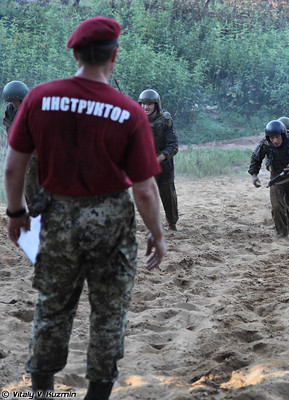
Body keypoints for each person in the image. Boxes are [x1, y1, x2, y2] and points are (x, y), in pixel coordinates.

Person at [4, 16, 166, 400]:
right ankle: (97, 395)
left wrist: (15, 213)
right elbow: (144, 189)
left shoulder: (39, 99)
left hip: (56, 218)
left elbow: (14, 164)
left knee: (52, 309)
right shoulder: (129, 112)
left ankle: (42, 391)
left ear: (75, 53)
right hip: (111, 220)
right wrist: (157, 234)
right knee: (108, 314)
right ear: (114, 57)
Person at [249, 120, 289, 240]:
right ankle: (281, 234)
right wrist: (254, 175)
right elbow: (255, 158)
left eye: (277, 137)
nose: (275, 141)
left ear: (283, 135)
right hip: (276, 181)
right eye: (272, 138)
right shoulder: (265, 144)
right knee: (277, 209)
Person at [138, 89, 179, 231]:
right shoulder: (136, 119)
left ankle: (172, 222)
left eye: (149, 103)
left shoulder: (165, 120)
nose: (146, 107)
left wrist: (158, 159)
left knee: (167, 194)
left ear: (156, 105)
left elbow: (173, 145)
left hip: (164, 165)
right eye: (143, 103)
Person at [3, 80, 41, 207]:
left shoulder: (34, 108)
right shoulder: (11, 109)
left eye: (15, 101)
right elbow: (10, 129)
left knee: (31, 183)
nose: (13, 104)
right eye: (11, 101)